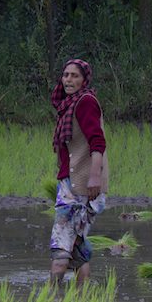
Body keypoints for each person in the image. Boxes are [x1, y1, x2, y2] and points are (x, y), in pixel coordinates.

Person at [48, 59, 109, 287]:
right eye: (66, 75)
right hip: (73, 182)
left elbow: (97, 142)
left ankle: (50, 301)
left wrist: (94, 177)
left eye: (75, 75)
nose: (68, 80)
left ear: (84, 80)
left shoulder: (84, 103)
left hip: (79, 186)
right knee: (77, 245)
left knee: (62, 243)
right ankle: (82, 301)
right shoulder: (70, 104)